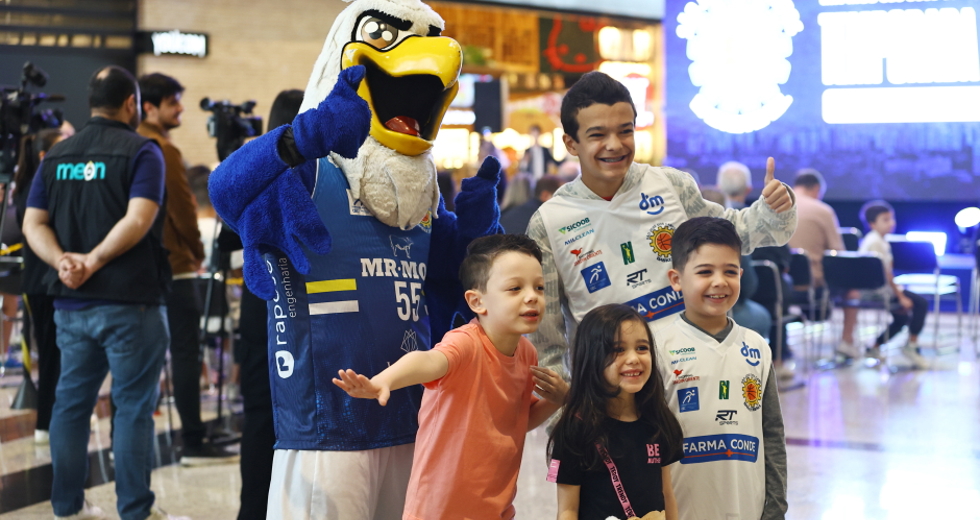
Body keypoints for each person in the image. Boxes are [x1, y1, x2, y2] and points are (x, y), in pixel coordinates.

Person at [527, 71, 797, 383]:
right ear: (571, 144)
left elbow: (736, 234)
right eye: (598, 135)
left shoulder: (671, 185)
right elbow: (547, 338)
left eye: (625, 131)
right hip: (609, 394)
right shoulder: (548, 223)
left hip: (694, 375)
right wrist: (565, 412)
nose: (614, 145)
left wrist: (774, 207)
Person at [22, 66, 187, 520]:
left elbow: (32, 223)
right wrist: (93, 260)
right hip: (130, 302)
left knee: (70, 407)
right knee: (133, 409)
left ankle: (66, 507)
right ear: (132, 104)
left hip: (71, 305)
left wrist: (63, 261)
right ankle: (134, 510)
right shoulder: (143, 152)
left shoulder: (56, 156)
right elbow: (139, 219)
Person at [333, 234, 567, 519]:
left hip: (496, 505)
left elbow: (517, 422)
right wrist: (385, 380)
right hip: (440, 509)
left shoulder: (527, 353)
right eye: (515, 288)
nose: (532, 296)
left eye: (539, 287)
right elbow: (427, 359)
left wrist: (557, 400)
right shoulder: (466, 344)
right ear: (477, 301)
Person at [657, 217, 788, 520]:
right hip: (681, 509)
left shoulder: (757, 347)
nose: (719, 281)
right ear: (676, 279)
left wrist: (776, 508)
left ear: (741, 275)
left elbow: (772, 434)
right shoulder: (656, 346)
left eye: (730, 271)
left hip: (747, 509)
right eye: (705, 272)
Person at [137, 72, 237, 465]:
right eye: (174, 102)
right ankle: (193, 440)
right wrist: (197, 251)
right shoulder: (163, 150)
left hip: (140, 266)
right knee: (185, 350)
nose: (180, 109)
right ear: (149, 106)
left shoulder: (131, 145)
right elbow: (182, 208)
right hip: (175, 264)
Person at [548, 303, 684, 520]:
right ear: (592, 358)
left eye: (642, 348)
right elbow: (567, 510)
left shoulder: (659, 420)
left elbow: (667, 494)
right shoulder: (575, 429)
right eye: (618, 350)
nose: (633, 359)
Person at [13, 128, 64, 444]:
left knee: (53, 352)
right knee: (50, 353)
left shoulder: (37, 184)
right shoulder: (37, 188)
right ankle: (45, 422)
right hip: (42, 283)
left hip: (42, 282)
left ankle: (49, 419)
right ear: (45, 156)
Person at [854, 201, 929, 368]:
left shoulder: (879, 240)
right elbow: (886, 275)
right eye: (885, 219)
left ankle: (874, 347)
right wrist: (901, 296)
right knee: (920, 303)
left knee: (901, 317)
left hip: (880, 289)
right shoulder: (876, 242)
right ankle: (912, 345)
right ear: (872, 223)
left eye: (891, 219)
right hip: (877, 291)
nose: (891, 223)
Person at [788, 169, 844, 291]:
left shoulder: (770, 209)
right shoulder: (823, 211)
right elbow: (838, 253)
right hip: (813, 281)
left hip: (779, 280)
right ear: (816, 188)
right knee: (852, 288)